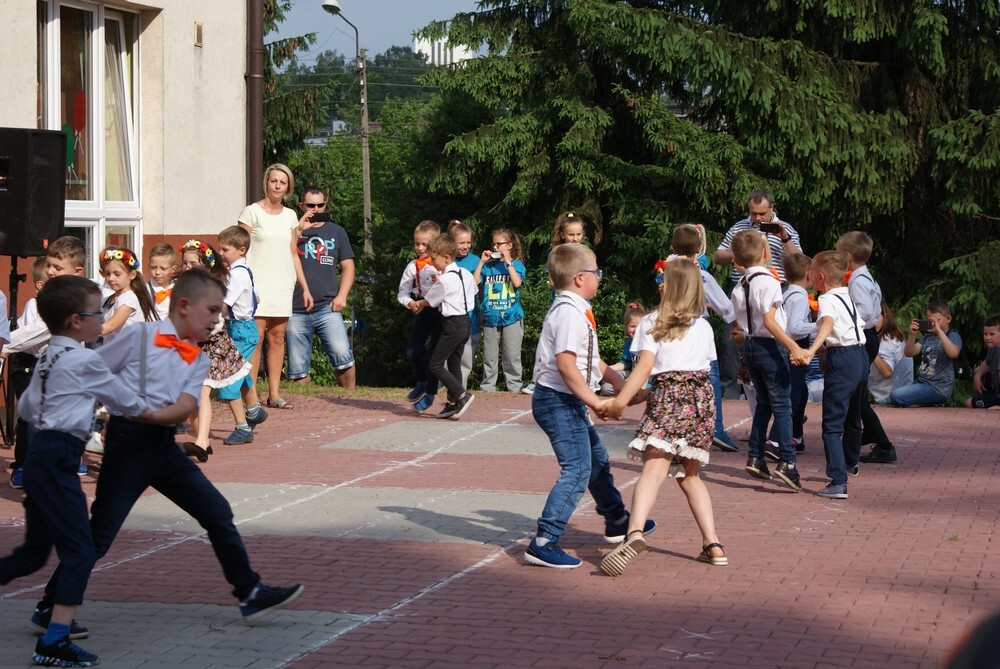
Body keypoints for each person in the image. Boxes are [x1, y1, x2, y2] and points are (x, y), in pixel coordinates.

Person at [29, 270, 305, 639]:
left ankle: (249, 591)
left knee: (217, 511)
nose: (216, 319)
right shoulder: (141, 335)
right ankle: (50, 607)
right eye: (211, 310)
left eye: (220, 312)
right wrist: (110, 409)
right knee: (101, 532)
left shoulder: (198, 358)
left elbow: (185, 406)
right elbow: (94, 369)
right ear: (184, 306)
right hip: (129, 444)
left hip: (163, 445)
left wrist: (149, 414)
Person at [0, 275, 149, 668]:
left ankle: (55, 635)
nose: (103, 317)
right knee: (80, 551)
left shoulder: (49, 354)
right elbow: (127, 402)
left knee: (33, 555)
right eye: (96, 312)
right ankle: (54, 640)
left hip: (41, 457)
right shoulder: (84, 359)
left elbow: (28, 408)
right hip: (58, 461)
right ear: (74, 320)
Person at [524, 243, 653, 569]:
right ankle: (544, 540)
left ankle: (616, 520)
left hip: (565, 401)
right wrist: (595, 400)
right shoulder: (569, 313)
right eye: (597, 272)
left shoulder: (576, 308)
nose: (600, 277)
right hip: (557, 402)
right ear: (581, 278)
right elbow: (567, 365)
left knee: (596, 460)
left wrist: (620, 384)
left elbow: (591, 359)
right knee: (578, 469)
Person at [599, 259, 726, 576]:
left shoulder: (652, 321)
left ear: (666, 286)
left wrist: (619, 402)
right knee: (690, 476)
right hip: (700, 403)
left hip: (669, 401)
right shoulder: (703, 325)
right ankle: (713, 544)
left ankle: (635, 533)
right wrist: (645, 393)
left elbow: (646, 368)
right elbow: (693, 371)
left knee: (653, 471)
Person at [4, 237, 89, 484]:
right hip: (31, 363)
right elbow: (32, 331)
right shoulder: (47, 296)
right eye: (49, 265)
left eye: (57, 267)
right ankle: (28, 465)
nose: (50, 270)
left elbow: (42, 329)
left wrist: (3, 344)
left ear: (77, 271)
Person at [728, 230, 806, 490]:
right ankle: (788, 462)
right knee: (782, 405)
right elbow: (770, 320)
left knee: (764, 403)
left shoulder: (740, 285)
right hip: (770, 347)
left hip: (750, 346)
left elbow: (739, 319)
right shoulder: (770, 281)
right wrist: (793, 346)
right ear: (764, 252)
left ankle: (756, 455)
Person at [238, 163, 315, 411]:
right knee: (256, 338)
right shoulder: (251, 212)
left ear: (288, 187)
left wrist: (304, 286)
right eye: (274, 181)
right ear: (267, 183)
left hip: (283, 283)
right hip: (257, 284)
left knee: (278, 337)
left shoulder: (291, 216)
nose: (278, 186)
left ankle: (273, 394)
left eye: (283, 182)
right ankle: (250, 396)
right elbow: (240, 250)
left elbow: (293, 253)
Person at [715, 190, 802, 399]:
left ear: (772, 208)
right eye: (753, 213)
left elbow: (799, 260)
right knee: (731, 341)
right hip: (742, 290)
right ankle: (731, 393)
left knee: (773, 338)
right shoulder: (739, 227)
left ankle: (778, 391)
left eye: (762, 213)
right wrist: (743, 253)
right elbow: (718, 255)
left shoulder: (785, 228)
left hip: (774, 289)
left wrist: (784, 238)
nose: (757, 218)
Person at [798, 250, 868, 499]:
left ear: (819, 277)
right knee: (853, 415)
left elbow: (827, 323)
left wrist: (811, 350)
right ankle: (850, 462)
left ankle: (838, 480)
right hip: (861, 356)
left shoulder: (826, 298)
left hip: (843, 358)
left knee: (831, 424)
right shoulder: (847, 295)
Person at [669, 224, 739, 452]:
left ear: (672, 247)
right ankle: (716, 428)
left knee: (676, 376)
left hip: (670, 329)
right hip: (697, 329)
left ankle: (676, 426)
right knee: (711, 376)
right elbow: (727, 309)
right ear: (699, 249)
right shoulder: (702, 275)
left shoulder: (665, 270)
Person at [178, 239, 253, 451]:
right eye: (184, 263)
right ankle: (206, 439)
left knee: (202, 391)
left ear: (206, 266)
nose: (187, 267)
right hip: (190, 346)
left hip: (212, 346)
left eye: (192, 263)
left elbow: (216, 319)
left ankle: (202, 441)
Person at [286, 186, 357, 389]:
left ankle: (349, 398)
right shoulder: (291, 231)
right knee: (298, 368)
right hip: (295, 308)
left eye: (320, 205)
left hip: (327, 306)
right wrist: (298, 231)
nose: (316, 209)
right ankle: (306, 410)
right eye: (311, 205)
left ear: (326, 204)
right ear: (301, 206)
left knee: (342, 355)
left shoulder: (337, 231)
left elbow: (348, 267)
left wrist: (342, 296)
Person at [837, 232, 897, 466]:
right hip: (868, 336)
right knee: (858, 394)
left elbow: (865, 312)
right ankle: (874, 436)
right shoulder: (866, 278)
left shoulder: (858, 281)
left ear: (848, 256)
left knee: (857, 395)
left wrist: (843, 317)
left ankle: (883, 444)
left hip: (864, 336)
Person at [522, 212, 589, 396]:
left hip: (581, 307)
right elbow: (553, 280)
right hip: (561, 306)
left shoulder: (585, 254)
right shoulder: (556, 253)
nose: (575, 239)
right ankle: (539, 381)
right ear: (562, 235)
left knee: (580, 344)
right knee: (552, 344)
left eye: (578, 234)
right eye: (571, 234)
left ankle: (582, 381)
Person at [412, 234, 477, 419]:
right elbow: (474, 290)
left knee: (435, 364)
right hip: (466, 322)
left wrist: (418, 304)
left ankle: (462, 395)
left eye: (434, 259)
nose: (431, 263)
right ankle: (453, 403)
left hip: (452, 325)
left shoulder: (445, 279)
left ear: (446, 257)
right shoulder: (465, 273)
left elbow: (431, 300)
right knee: (454, 363)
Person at [217, 226, 267, 443]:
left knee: (228, 379)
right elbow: (256, 297)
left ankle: (243, 428)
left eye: (225, 249)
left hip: (241, 331)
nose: (221, 253)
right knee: (241, 372)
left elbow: (224, 304)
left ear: (241, 249)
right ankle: (254, 410)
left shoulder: (237, 274)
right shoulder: (241, 271)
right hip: (239, 329)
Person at [763, 253, 816, 458]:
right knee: (792, 396)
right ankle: (775, 440)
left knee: (801, 393)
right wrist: (819, 325)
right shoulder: (800, 297)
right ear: (808, 275)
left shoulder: (786, 294)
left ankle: (796, 435)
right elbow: (795, 328)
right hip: (796, 347)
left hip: (786, 347)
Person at [7, 256, 47, 489]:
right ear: (41, 285)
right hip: (25, 364)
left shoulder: (63, 304)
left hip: (45, 364)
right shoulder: (34, 305)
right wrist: (5, 346)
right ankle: (22, 464)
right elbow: (34, 339)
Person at [398, 220, 442, 413]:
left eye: (425, 244)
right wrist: (410, 303)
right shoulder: (412, 266)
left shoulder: (443, 264)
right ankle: (423, 380)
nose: (420, 248)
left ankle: (430, 395)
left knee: (434, 357)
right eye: (417, 243)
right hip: (423, 311)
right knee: (412, 352)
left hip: (442, 312)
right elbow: (402, 293)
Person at [474, 228, 526, 393]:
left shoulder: (517, 265)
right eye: (494, 244)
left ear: (509, 245)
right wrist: (481, 262)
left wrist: (508, 262)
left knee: (511, 356)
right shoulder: (487, 267)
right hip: (490, 316)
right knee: (489, 357)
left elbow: (517, 283)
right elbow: (474, 282)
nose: (495, 247)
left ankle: (514, 387)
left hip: (512, 316)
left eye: (499, 244)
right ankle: (488, 387)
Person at [890, 299, 963, 407]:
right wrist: (912, 335)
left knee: (896, 395)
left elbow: (953, 353)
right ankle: (924, 403)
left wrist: (940, 332)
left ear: (948, 319)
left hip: (938, 387)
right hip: (922, 382)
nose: (934, 324)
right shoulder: (927, 337)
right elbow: (909, 352)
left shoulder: (952, 335)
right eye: (930, 321)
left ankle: (924, 403)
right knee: (895, 394)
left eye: (937, 320)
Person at [99, 246, 158, 342]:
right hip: (114, 354)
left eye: (117, 274)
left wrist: (83, 333)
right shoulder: (108, 300)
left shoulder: (128, 299)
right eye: (108, 273)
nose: (110, 278)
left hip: (129, 355)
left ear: (132, 275)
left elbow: (109, 326)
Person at [449, 220, 481, 387]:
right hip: (449, 320)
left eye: (468, 242)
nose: (465, 246)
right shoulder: (446, 260)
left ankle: (460, 390)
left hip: (470, 320)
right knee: (446, 359)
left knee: (466, 360)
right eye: (461, 242)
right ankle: (443, 389)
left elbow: (478, 288)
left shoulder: (476, 261)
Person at [866, 301, 913, 407]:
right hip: (889, 395)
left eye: (876, 317)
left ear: (885, 316)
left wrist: (870, 350)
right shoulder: (888, 335)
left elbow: (887, 372)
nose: (872, 322)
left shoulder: (888, 339)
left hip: (887, 398)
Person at [601, 301, 646, 395]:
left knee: (630, 385)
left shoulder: (647, 343)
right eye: (632, 326)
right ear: (626, 326)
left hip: (646, 379)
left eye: (639, 326)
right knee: (606, 387)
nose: (636, 329)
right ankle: (626, 392)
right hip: (631, 374)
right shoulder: (629, 342)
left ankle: (628, 393)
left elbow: (648, 369)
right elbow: (625, 363)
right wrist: (607, 370)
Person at [966, 314, 999, 409]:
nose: (988, 338)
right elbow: (987, 362)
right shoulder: (994, 346)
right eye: (985, 334)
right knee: (977, 370)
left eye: (992, 334)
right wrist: (977, 376)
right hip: (996, 389)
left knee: (968, 403)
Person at [146, 242, 177, 321]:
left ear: (173, 269)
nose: (157, 273)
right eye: (153, 268)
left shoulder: (178, 286)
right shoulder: (147, 290)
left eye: (163, 268)